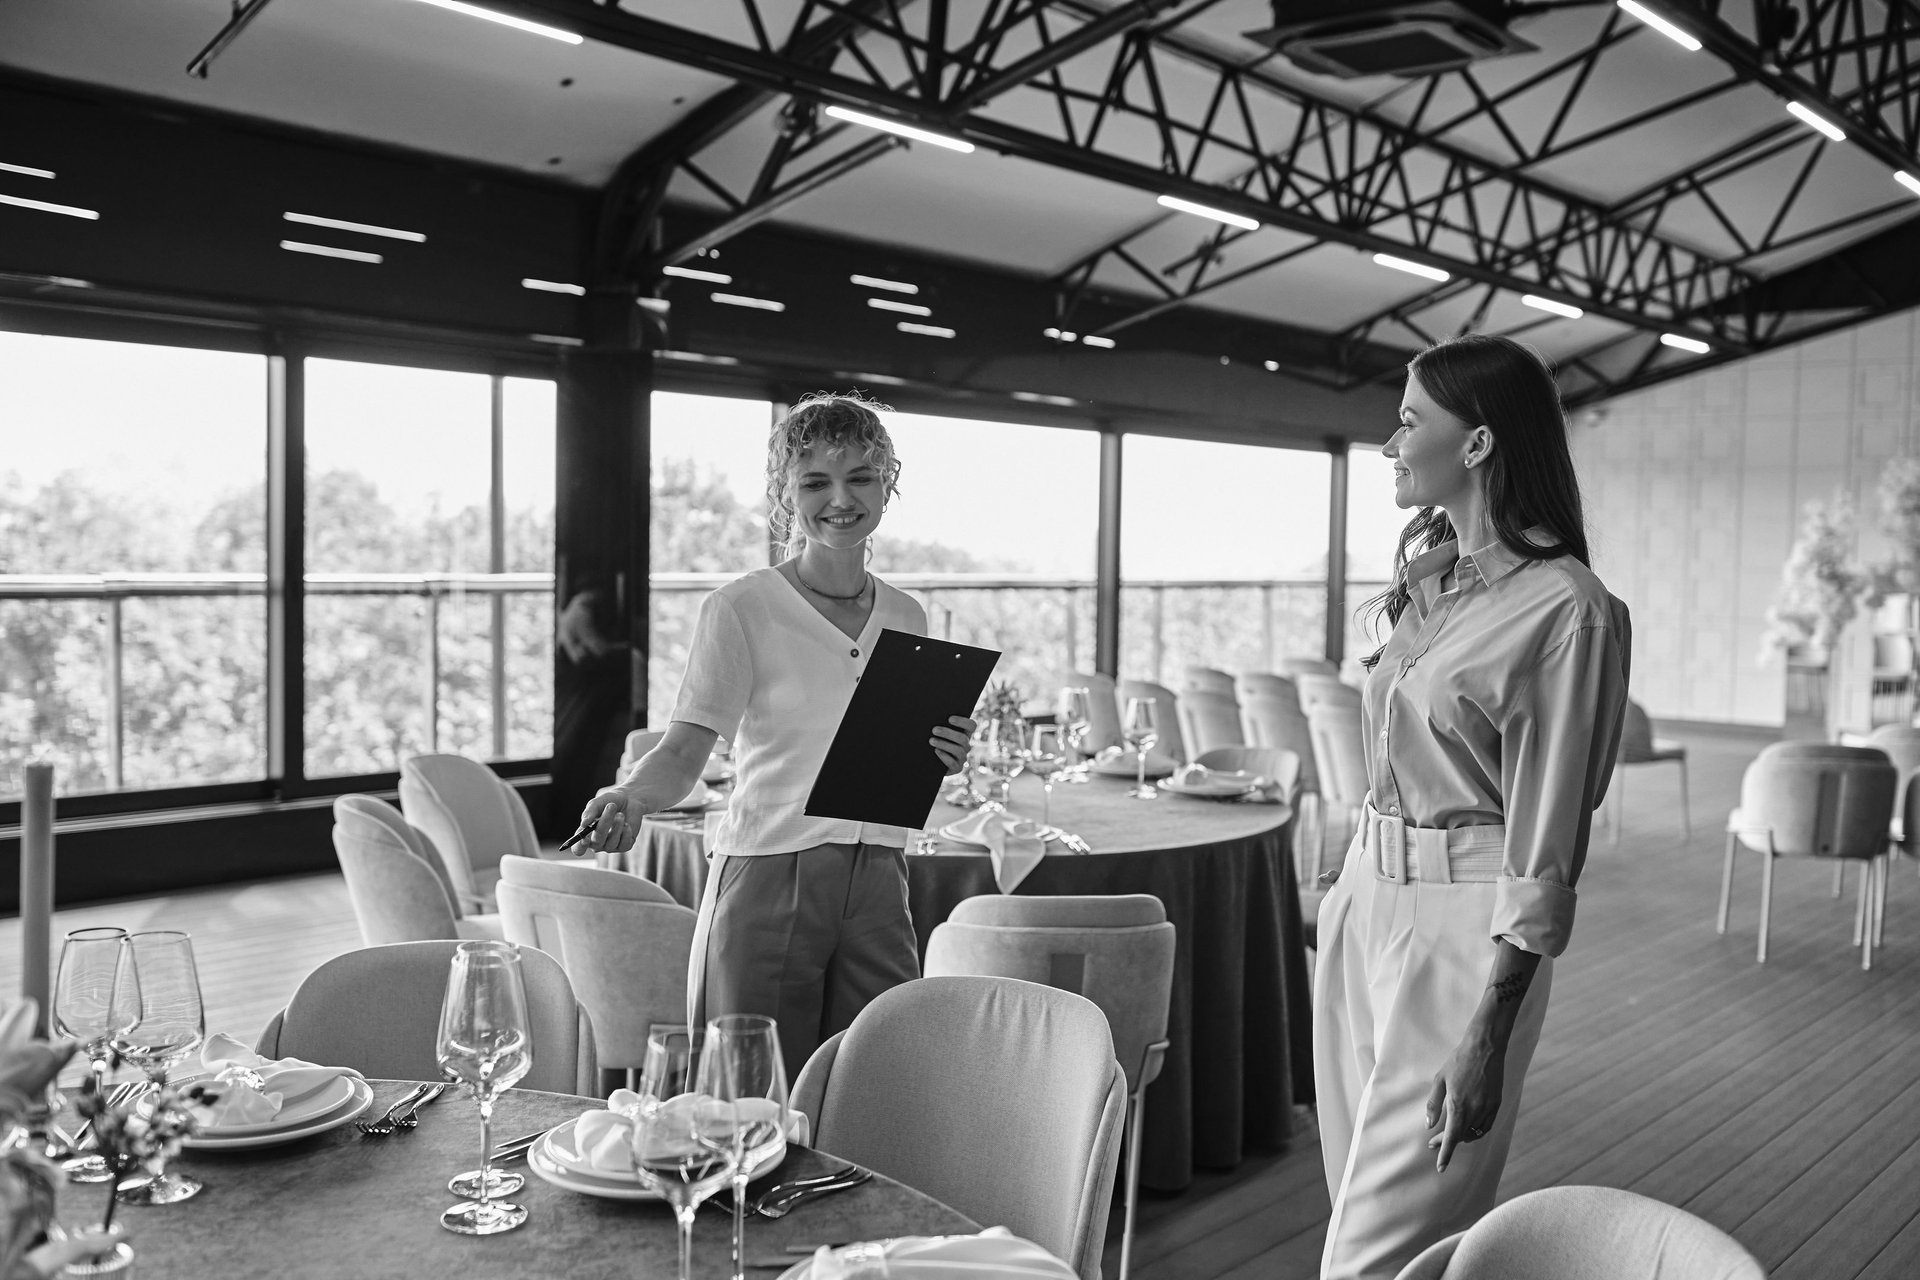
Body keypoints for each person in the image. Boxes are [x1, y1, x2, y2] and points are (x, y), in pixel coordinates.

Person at [1313, 335, 1632, 1280]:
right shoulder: (1433, 583)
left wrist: (1490, 1025)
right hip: (1364, 900)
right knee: (1354, 1214)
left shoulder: (1570, 610)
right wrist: (1349, 889)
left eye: (1409, 420)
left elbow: (1546, 847)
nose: (1390, 443)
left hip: (1461, 932)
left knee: (1370, 1257)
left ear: (1481, 442)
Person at [579, 392, 973, 1082]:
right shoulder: (742, 607)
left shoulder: (908, 614)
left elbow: (891, 752)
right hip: (770, 868)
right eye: (815, 482)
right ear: (785, 495)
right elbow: (682, 750)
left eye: (860, 478)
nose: (840, 499)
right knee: (749, 1093)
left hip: (882, 875)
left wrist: (943, 750)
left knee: (871, 1084)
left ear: (889, 484)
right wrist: (631, 795)